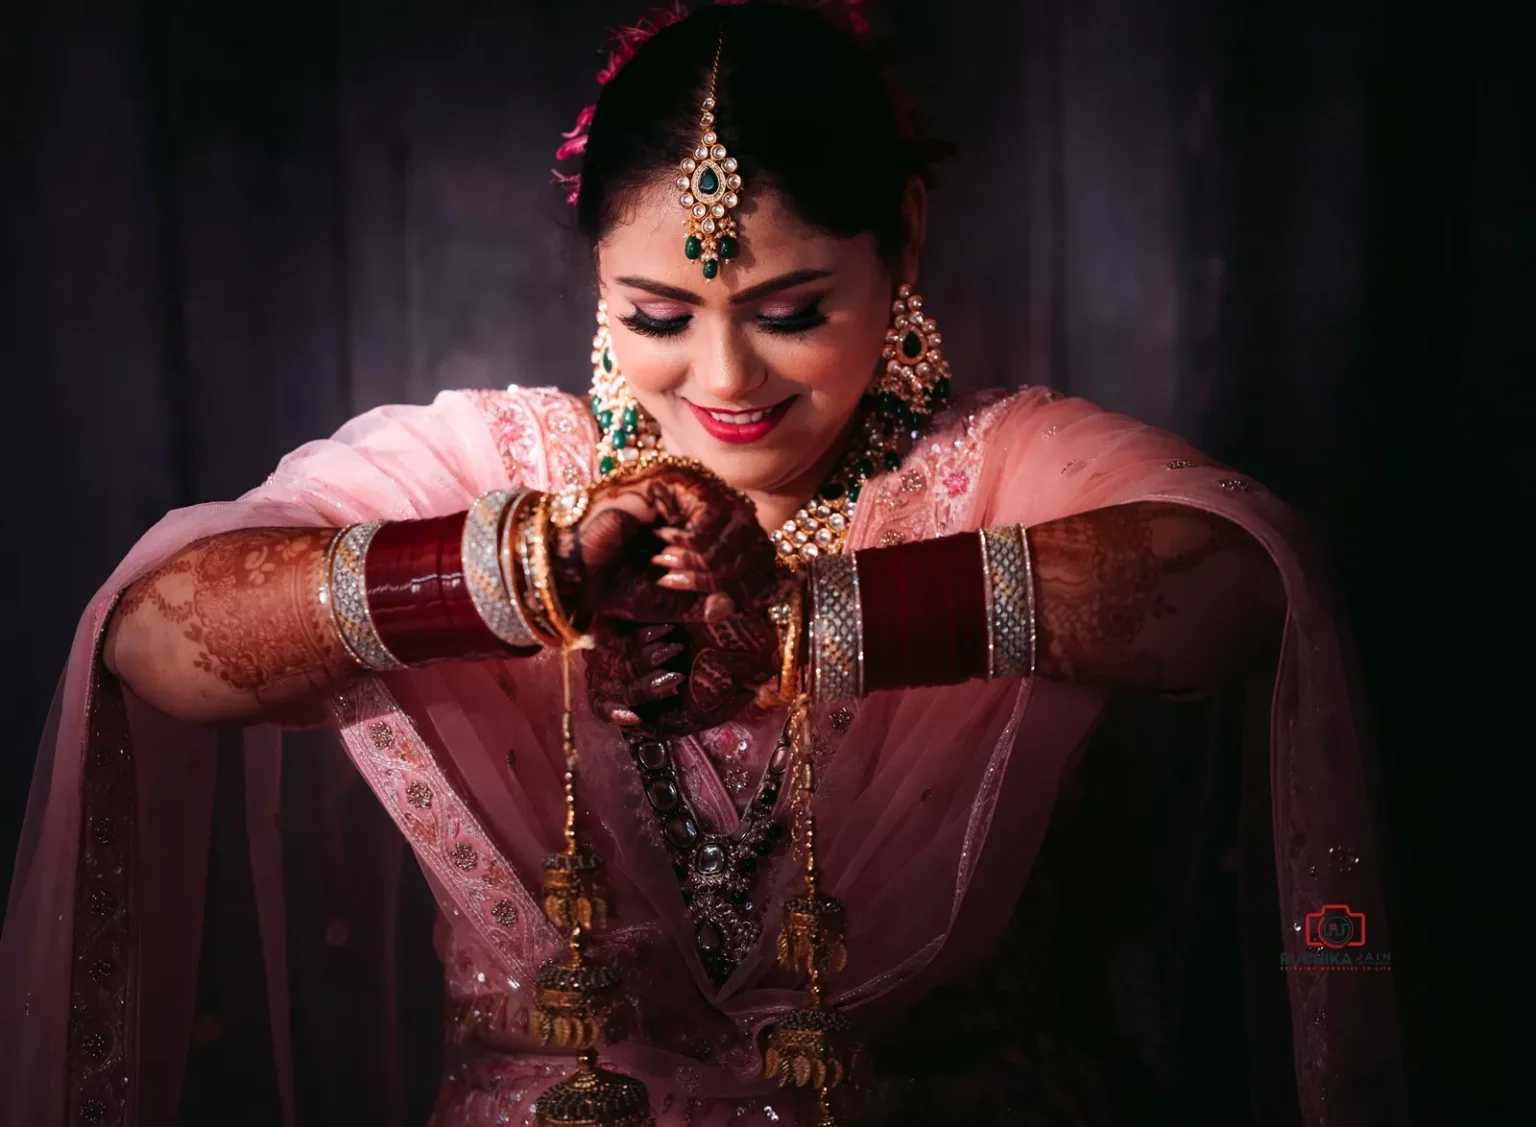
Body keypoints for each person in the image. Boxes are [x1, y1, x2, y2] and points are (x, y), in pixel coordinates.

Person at [0, 4, 1404, 1125]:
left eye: (792, 310)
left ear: (903, 238)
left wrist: (819, 618)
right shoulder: (495, 470)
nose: (723, 376)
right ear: (593, 281)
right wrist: (526, 579)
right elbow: (156, 635)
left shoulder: (1001, 468)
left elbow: (1233, 580)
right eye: (655, 313)